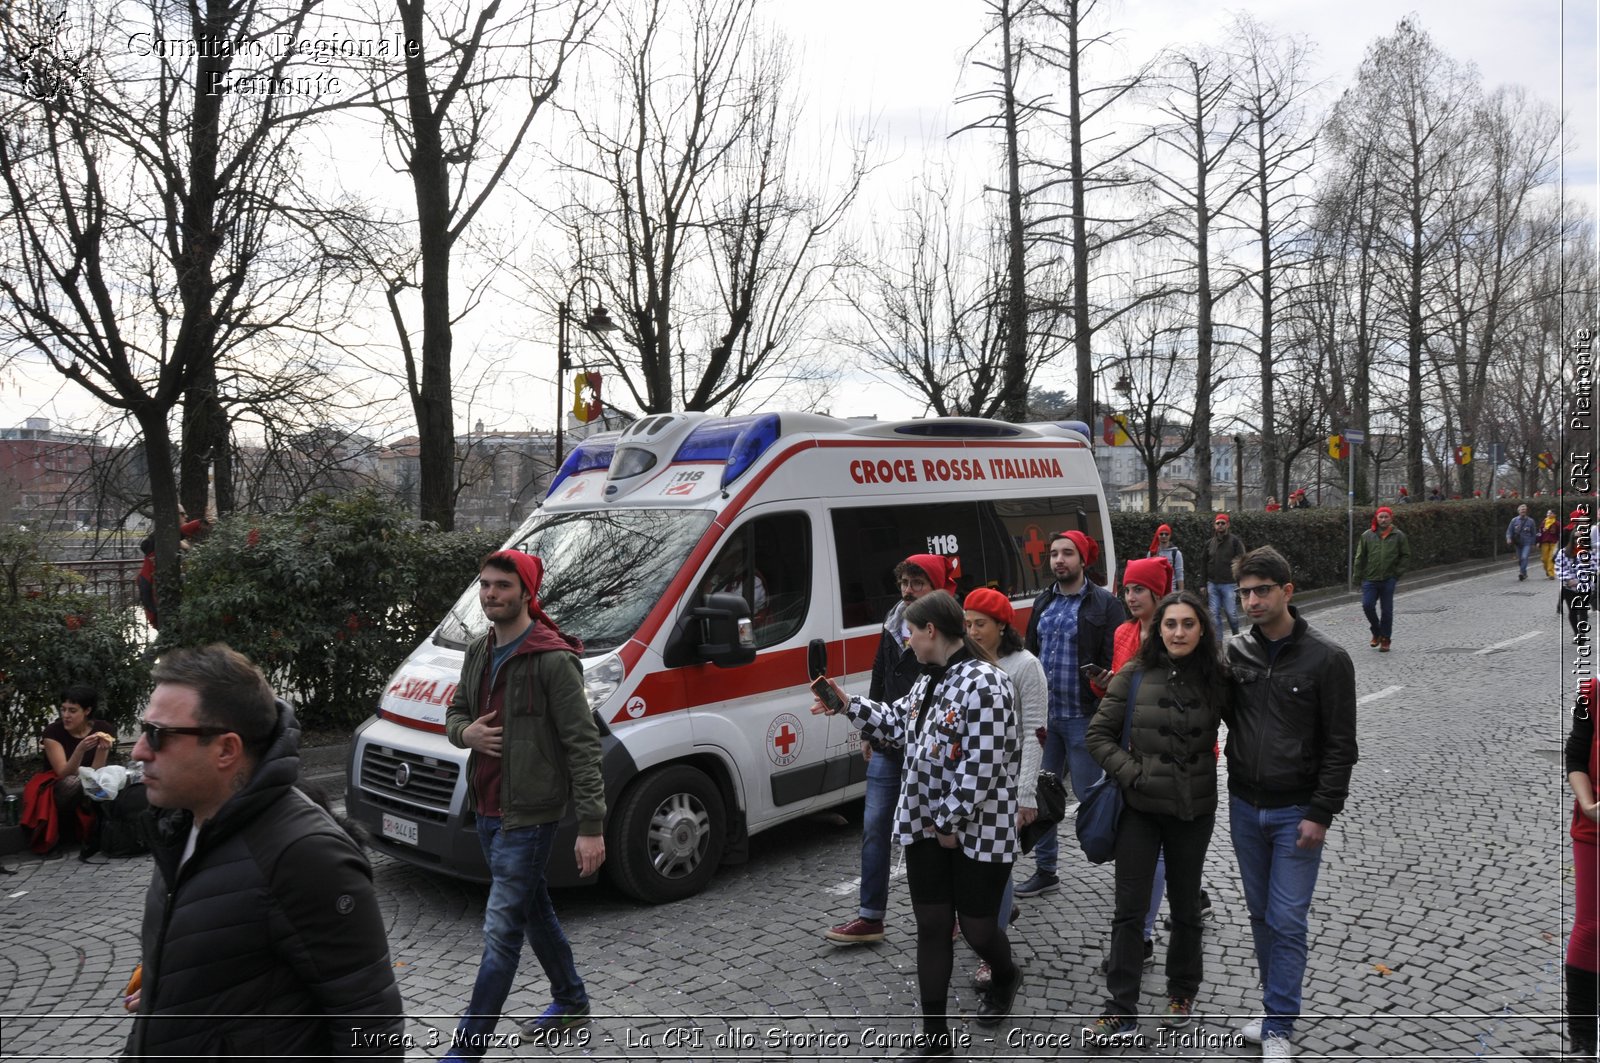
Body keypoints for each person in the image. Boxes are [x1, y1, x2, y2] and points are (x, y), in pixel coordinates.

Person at [123, 644, 404, 1058]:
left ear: (226, 750)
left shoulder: (305, 854)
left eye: (158, 735)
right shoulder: (182, 821)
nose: (138, 751)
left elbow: (371, 1026)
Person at [812, 590, 1022, 1058]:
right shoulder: (927, 681)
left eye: (911, 632)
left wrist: (949, 820)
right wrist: (848, 705)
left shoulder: (987, 682)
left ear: (932, 631)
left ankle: (1006, 973)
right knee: (931, 924)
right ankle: (934, 1038)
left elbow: (982, 766)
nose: (906, 641)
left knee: (977, 928)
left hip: (977, 830)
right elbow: (895, 723)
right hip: (925, 826)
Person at [444, 550, 606, 1058]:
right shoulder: (477, 650)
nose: (491, 594)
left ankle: (466, 1051)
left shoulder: (553, 660)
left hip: (530, 818)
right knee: (534, 911)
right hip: (488, 808)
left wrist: (592, 826)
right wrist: (464, 734)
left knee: (501, 934)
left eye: (502, 586)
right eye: (485, 585)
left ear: (526, 594)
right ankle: (571, 997)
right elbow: (456, 712)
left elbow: (583, 745)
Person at [1225, 547, 1358, 1060]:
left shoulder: (1328, 658)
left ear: (1287, 591)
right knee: (1261, 915)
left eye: (1262, 590)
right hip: (1243, 805)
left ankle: (1280, 1023)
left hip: (1295, 812)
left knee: (1287, 918)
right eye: (1245, 592)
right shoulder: (1235, 652)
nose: (1253, 601)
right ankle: (1271, 1009)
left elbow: (1341, 745)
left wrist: (1321, 812)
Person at [1084, 591, 1230, 1046]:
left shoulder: (1217, 678)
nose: (1178, 632)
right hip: (1140, 810)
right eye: (1171, 624)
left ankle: (1181, 993)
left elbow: (1249, 730)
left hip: (1193, 810)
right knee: (1129, 911)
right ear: (1159, 629)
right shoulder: (1133, 673)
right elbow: (1098, 735)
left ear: (1202, 629)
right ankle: (1119, 1007)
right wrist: (1134, 774)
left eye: (1188, 624)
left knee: (1186, 908)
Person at [826, 553, 954, 945]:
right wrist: (867, 729)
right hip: (888, 739)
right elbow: (881, 671)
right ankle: (870, 917)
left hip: (929, 748)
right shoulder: (893, 620)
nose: (907, 590)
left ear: (934, 587)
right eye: (904, 582)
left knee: (938, 832)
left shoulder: (949, 625)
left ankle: (957, 911)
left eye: (917, 583)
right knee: (875, 827)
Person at [1019, 530, 1126, 897]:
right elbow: (1029, 654)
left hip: (1084, 717)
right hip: (1044, 722)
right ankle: (1046, 871)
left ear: (1083, 560)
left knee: (1093, 795)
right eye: (1053, 554)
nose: (1059, 560)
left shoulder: (1105, 604)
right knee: (1042, 796)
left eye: (1067, 553)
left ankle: (1126, 866)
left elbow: (1116, 658)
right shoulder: (1042, 602)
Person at [961, 586, 1047, 990]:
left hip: (1008, 783)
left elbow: (1035, 731)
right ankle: (992, 917)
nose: (972, 632)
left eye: (981, 624)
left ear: (1001, 626)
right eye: (967, 624)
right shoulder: (963, 662)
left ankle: (992, 952)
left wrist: (1025, 793)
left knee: (997, 865)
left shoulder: (1025, 666)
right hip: (969, 781)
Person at [1565, 678, 1600, 1058]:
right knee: (1590, 928)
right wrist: (1589, 805)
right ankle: (1583, 1040)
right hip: (1594, 831)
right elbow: (1575, 756)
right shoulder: (1591, 693)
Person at [42, 685, 112, 844]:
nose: (66, 715)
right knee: (73, 783)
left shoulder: (103, 729)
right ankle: (63, 834)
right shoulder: (52, 732)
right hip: (60, 787)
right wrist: (80, 750)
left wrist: (102, 750)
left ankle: (102, 830)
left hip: (89, 782)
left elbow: (96, 771)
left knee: (111, 780)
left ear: (87, 711)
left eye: (72, 711)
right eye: (63, 709)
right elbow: (63, 774)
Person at [1353, 506, 1410, 652]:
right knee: (1367, 606)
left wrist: (1397, 573)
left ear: (1391, 518)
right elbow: (1360, 557)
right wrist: (1357, 578)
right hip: (1370, 579)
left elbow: (1405, 556)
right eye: (1381, 517)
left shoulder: (1398, 536)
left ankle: (1385, 639)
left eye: (1386, 517)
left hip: (1388, 579)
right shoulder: (1367, 535)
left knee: (1387, 611)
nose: (1383, 520)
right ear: (1376, 519)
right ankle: (1376, 631)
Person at [1200, 514, 1246, 639]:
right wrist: (1202, 584)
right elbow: (1203, 564)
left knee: (1231, 613)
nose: (1220, 525)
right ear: (1214, 525)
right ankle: (1218, 644)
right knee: (1214, 615)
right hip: (1212, 584)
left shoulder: (1235, 542)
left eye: (1222, 523)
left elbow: (1242, 561)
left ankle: (1236, 636)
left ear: (1228, 525)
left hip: (1229, 584)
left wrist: (1240, 581)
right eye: (1218, 523)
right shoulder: (1209, 544)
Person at [1558, 524, 1596, 645]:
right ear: (1572, 539)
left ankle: (1582, 634)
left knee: (1583, 611)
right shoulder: (1563, 552)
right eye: (1575, 538)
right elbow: (1560, 568)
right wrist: (1568, 580)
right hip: (1569, 588)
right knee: (1573, 612)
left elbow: (1593, 570)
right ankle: (1576, 632)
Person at [1147, 525, 1185, 591]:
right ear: (1157, 535)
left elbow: (1179, 574)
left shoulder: (1176, 553)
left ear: (1170, 536)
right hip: (1156, 591)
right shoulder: (1152, 553)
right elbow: (1148, 573)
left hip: (1171, 591)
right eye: (1161, 534)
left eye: (1166, 534)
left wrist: (1181, 592)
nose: (1164, 536)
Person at [1506, 503, 1538, 582]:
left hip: (1527, 542)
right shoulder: (1514, 520)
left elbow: (1534, 533)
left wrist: (1533, 543)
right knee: (1520, 559)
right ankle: (1524, 573)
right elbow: (1509, 531)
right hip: (1518, 543)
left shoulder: (1531, 521)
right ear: (1518, 511)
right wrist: (1508, 538)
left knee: (1524, 557)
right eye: (1521, 510)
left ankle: (1521, 573)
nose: (1523, 511)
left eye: (1524, 510)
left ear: (1526, 511)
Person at [1540, 509, 1561, 580]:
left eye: (1551, 513)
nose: (1549, 514)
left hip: (1553, 543)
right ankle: (1547, 570)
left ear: (1554, 515)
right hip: (1544, 543)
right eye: (1548, 513)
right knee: (1544, 559)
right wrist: (1538, 541)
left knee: (1551, 558)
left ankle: (1551, 573)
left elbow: (1559, 533)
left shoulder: (1557, 523)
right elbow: (1540, 532)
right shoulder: (1543, 522)